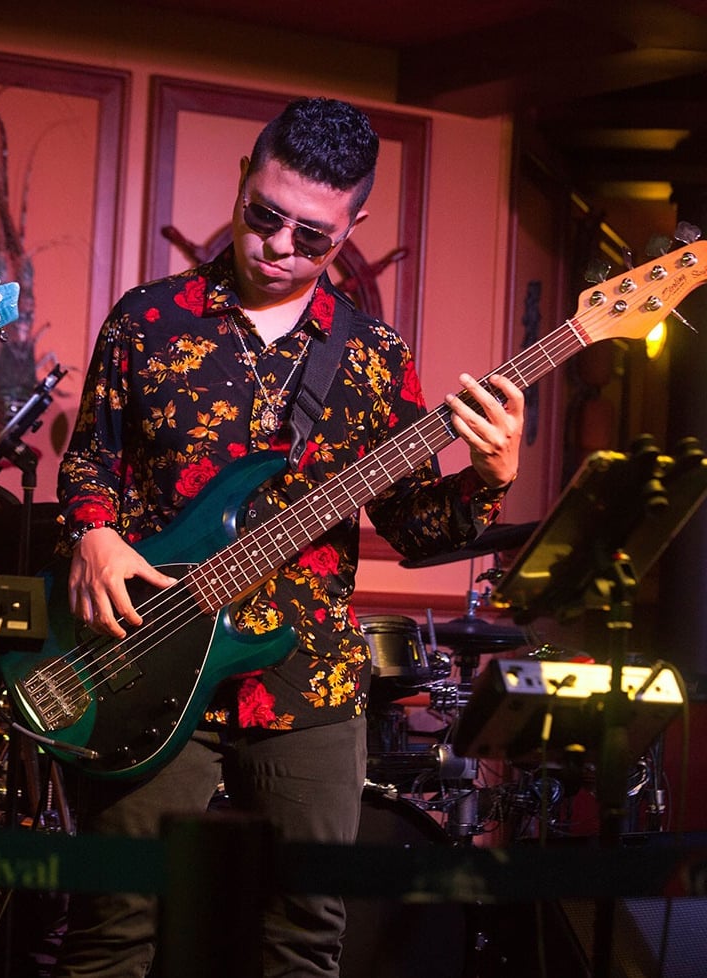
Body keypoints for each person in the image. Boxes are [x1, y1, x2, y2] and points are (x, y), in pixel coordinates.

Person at [52, 96, 523, 978]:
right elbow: (91, 463)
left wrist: (490, 479)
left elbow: (417, 529)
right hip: (148, 658)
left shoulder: (376, 356)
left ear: (354, 227)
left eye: (313, 236)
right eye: (264, 217)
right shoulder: (146, 319)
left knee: (304, 939)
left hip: (306, 676)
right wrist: (93, 533)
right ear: (242, 178)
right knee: (113, 928)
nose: (278, 246)